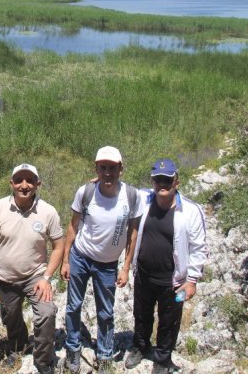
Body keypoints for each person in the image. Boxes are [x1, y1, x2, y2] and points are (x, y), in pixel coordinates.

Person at [60, 146, 143, 373]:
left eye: (112, 168)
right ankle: (73, 350)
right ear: (96, 169)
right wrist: (66, 260)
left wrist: (126, 267)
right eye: (103, 168)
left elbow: (133, 233)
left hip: (108, 264)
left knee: (106, 312)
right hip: (81, 257)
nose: (108, 173)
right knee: (73, 307)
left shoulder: (133, 196)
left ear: (121, 169)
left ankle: (105, 356)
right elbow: (73, 226)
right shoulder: (85, 192)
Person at [125, 158, 207, 373]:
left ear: (176, 182)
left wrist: (191, 281)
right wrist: (102, 181)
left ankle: (162, 358)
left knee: (169, 321)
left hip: (174, 280)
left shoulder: (190, 211)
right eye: (158, 179)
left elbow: (199, 248)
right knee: (141, 314)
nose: (162, 184)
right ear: (152, 181)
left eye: (167, 180)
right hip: (143, 274)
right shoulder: (144, 199)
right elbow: (121, 191)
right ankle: (141, 347)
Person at [0, 163, 64, 374]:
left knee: (47, 313)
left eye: (30, 180)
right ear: (11, 183)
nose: (24, 185)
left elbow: (59, 246)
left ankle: (43, 360)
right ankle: (18, 348)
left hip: (36, 277)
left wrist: (46, 278)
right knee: (11, 317)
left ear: (38, 184)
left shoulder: (48, 212)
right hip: (6, 278)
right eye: (19, 180)